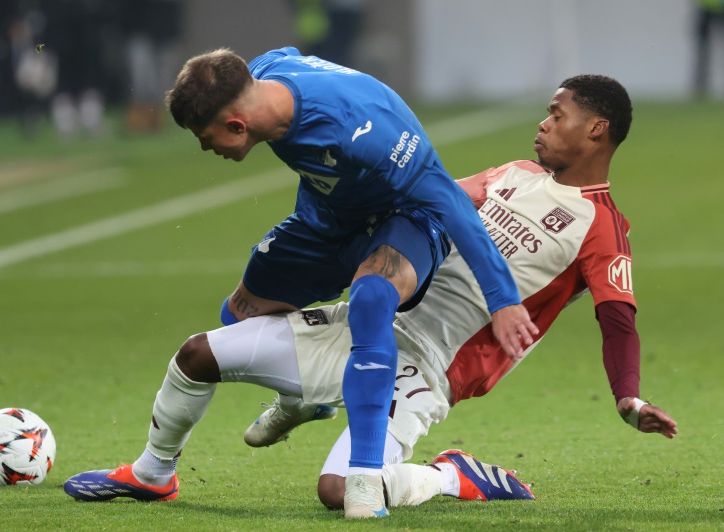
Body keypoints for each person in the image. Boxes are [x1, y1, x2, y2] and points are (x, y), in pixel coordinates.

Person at [63, 74, 678, 517]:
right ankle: (152, 475)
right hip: (362, 323)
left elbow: (618, 321)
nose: (544, 123)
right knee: (198, 353)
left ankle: (451, 477)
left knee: (339, 492)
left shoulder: (603, 228)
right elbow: (436, 199)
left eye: (557, 113)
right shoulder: (512, 174)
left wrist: (629, 399)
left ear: (596, 128)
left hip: (428, 367)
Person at [162, 46, 537, 517]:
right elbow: (293, 54)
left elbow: (451, 202)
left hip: (407, 218)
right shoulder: (264, 73)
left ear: (237, 124)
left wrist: (502, 299)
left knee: (371, 297)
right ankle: (302, 400)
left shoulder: (363, 133)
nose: (204, 147)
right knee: (239, 317)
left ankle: (363, 481)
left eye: (205, 136)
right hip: (329, 220)